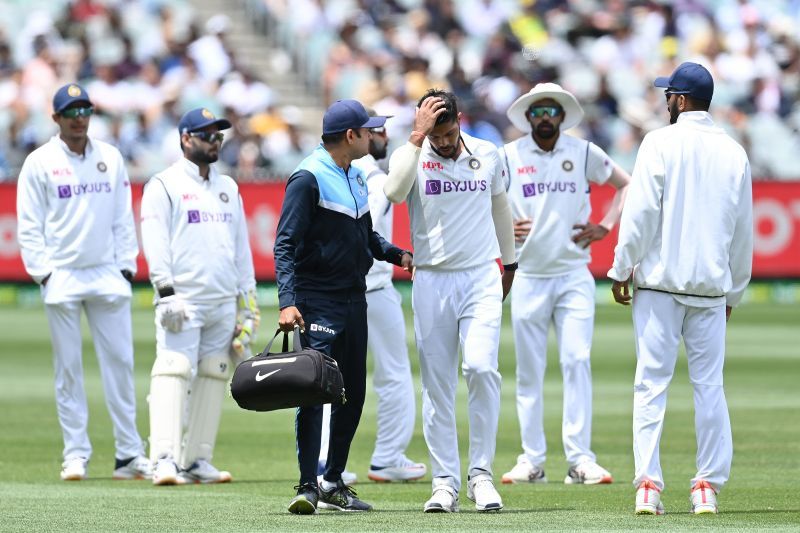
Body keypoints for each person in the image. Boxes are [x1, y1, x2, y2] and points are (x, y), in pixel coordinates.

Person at [607, 62, 753, 515]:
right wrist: (735, 291)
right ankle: (706, 486)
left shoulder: (659, 142)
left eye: (668, 94)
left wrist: (620, 266)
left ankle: (648, 485)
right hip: (710, 291)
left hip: (659, 287)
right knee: (709, 387)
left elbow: (640, 213)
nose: (664, 100)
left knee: (650, 385)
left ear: (681, 100)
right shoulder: (734, 152)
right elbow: (742, 230)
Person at [274, 99, 413, 514]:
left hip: (355, 300)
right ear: (351, 136)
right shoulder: (308, 177)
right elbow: (284, 243)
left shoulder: (354, 175)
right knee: (314, 392)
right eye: (368, 130)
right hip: (318, 301)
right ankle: (306, 485)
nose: (374, 136)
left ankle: (333, 481)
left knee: (351, 394)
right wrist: (287, 302)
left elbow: (367, 236)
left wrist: (397, 254)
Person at [384, 89, 517, 513]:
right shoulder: (414, 153)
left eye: (448, 132)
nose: (442, 142)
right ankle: (445, 482)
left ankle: (481, 476)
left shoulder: (488, 153)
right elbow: (393, 192)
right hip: (432, 279)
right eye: (435, 134)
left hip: (480, 275)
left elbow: (500, 206)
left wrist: (509, 263)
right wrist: (417, 136)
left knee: (480, 368)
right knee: (438, 384)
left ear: (459, 120)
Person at [16, 83, 151, 481]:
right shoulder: (40, 162)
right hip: (63, 275)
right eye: (70, 111)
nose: (78, 118)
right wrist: (44, 273)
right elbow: (29, 225)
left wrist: (126, 267)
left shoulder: (109, 156)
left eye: (84, 110)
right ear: (55, 118)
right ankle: (75, 453)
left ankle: (129, 454)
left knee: (121, 365)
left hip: (107, 273)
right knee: (69, 369)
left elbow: (122, 217)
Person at [498, 83, 630, 486]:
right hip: (529, 274)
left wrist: (605, 226)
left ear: (561, 116)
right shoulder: (508, 156)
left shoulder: (583, 151)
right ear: (528, 118)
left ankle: (580, 460)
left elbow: (627, 183)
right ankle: (531, 460)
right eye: (537, 112)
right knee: (529, 371)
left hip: (574, 273)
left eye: (551, 111)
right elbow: (482, 199)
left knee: (576, 361)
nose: (543, 118)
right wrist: (502, 228)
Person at [140, 107, 258, 486]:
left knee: (213, 374)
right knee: (173, 370)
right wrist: (166, 291)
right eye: (206, 135)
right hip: (183, 299)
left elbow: (240, 248)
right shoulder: (164, 184)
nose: (214, 142)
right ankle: (163, 459)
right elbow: (155, 242)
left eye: (218, 135)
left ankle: (197, 460)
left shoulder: (228, 187)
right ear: (185, 139)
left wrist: (249, 304)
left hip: (223, 300)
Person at [317, 110, 426, 485]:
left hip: (348, 289)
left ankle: (323, 461)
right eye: (375, 131)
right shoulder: (374, 178)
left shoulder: (346, 175)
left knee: (329, 375)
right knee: (391, 375)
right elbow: (368, 231)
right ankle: (387, 457)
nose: (380, 137)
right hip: (370, 288)